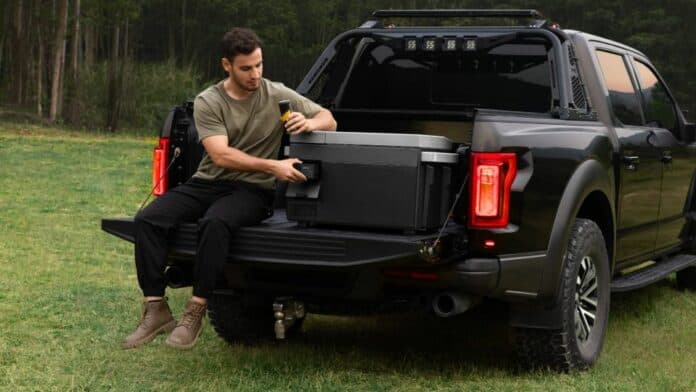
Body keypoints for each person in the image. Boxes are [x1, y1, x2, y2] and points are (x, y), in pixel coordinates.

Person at [123, 27, 337, 350]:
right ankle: (155, 308)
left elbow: (330, 119)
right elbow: (221, 155)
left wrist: (309, 123)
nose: (255, 74)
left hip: (253, 191)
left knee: (215, 223)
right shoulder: (208, 101)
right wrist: (274, 166)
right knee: (148, 220)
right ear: (227, 65)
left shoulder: (277, 94)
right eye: (246, 68)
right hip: (209, 181)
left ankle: (195, 311)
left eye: (259, 65)